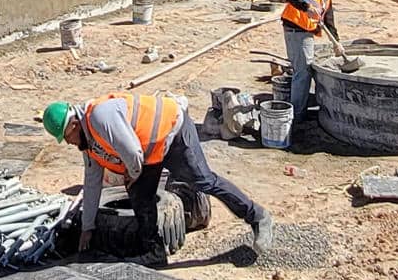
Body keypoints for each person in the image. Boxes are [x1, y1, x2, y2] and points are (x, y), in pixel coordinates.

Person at [42, 92, 272, 263]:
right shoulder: (88, 145)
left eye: (67, 136)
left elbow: (132, 152)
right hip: (149, 153)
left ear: (74, 123)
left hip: (173, 131)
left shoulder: (101, 117)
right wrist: (88, 227)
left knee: (204, 181)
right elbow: (92, 184)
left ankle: (257, 216)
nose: (69, 142)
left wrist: (133, 174)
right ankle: (154, 252)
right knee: (139, 195)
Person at [281, 0, 350, 122]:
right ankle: (296, 116)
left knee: (305, 70)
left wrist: (337, 42)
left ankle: (300, 109)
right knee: (302, 72)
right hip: (296, 28)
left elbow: (328, 17)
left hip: (306, 31)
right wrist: (306, 8)